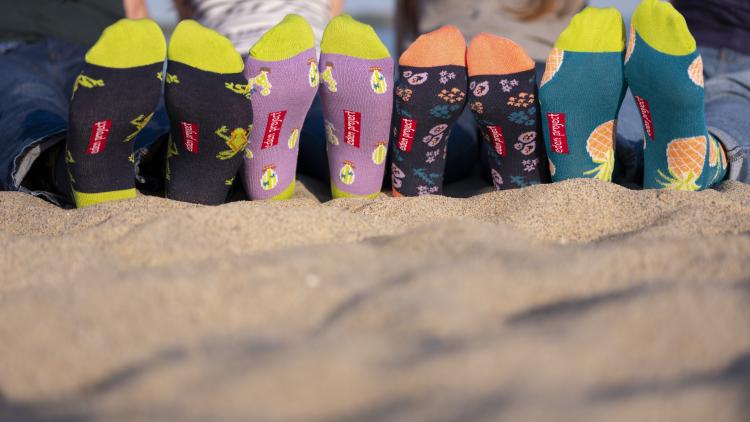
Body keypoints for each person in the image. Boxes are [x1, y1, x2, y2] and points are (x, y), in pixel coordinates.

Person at [0, 0, 164, 206]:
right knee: (26, 99)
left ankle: (177, 154)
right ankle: (172, 158)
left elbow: (136, 9)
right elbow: (137, 10)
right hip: (11, 45)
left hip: (103, 49)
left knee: (25, 99)